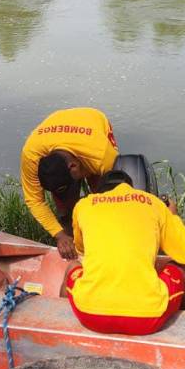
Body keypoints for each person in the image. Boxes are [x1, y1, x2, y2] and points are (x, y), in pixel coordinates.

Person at [63, 169, 185, 335]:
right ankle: (184, 330)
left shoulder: (84, 205)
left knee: (73, 266)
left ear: (98, 191)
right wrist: (173, 215)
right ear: (131, 187)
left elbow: (81, 249)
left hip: (89, 315)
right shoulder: (153, 203)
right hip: (148, 319)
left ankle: (61, 323)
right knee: (181, 266)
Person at [21, 108, 118, 260]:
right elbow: (34, 201)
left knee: (104, 198)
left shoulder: (103, 156)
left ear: (73, 166)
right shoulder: (32, 156)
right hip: (54, 134)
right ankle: (74, 247)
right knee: (66, 210)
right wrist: (59, 235)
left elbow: (123, 196)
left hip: (91, 121)